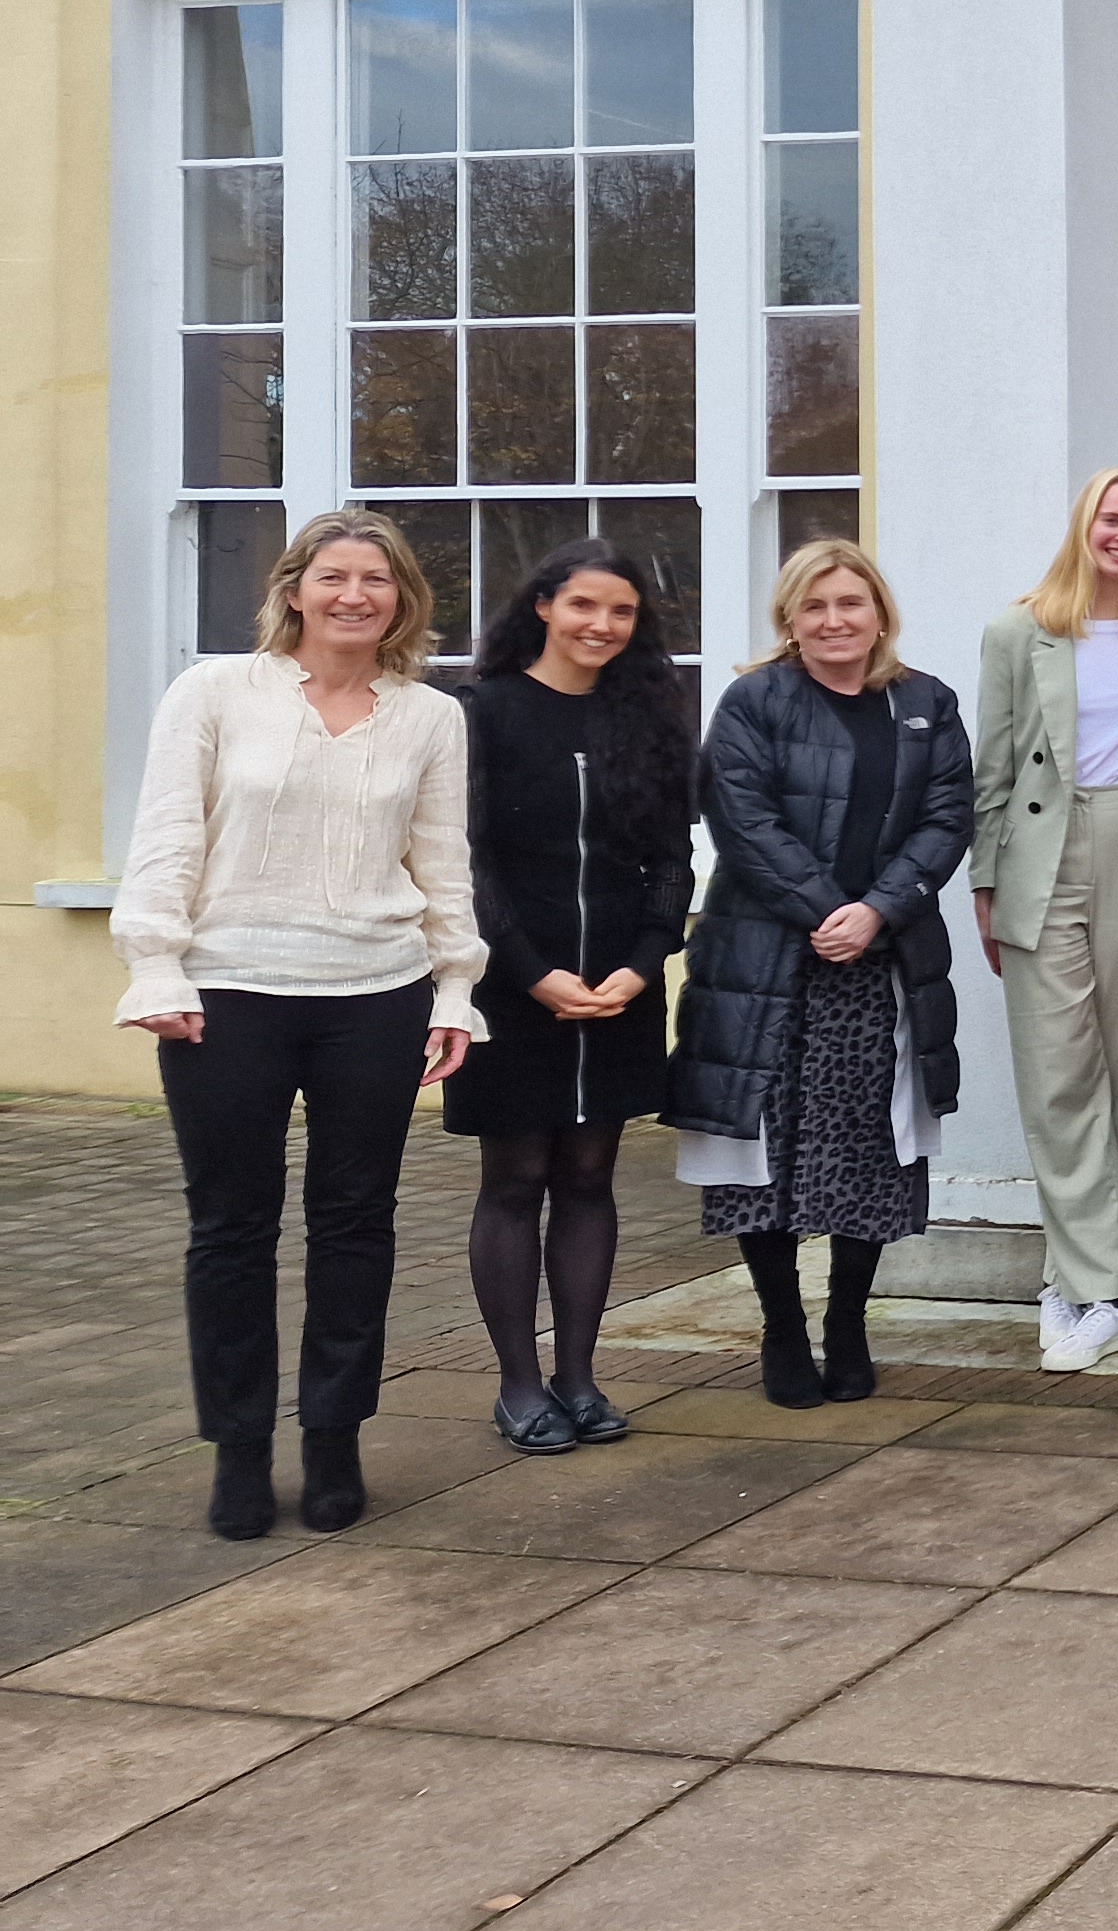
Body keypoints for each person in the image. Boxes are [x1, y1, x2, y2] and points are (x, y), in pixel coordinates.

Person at [114, 510, 484, 1540]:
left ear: (402, 600)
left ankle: (333, 1437)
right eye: (334, 576)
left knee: (354, 1226)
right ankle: (238, 1452)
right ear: (294, 589)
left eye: (378, 580)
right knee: (231, 1229)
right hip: (226, 994)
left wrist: (455, 989)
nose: (354, 595)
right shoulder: (213, 693)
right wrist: (157, 965)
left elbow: (441, 864)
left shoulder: (429, 717)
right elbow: (164, 838)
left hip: (376, 992)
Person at [672, 541, 973, 1413]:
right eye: (816, 607)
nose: (835, 621)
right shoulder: (753, 702)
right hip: (766, 963)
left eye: (851, 603)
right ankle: (782, 1328)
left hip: (879, 963)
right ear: (789, 621)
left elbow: (948, 814)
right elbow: (742, 817)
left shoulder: (925, 703)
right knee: (762, 1153)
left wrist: (877, 909)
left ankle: (848, 1321)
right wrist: (822, 910)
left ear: (880, 611)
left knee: (862, 1147)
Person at [447, 539, 696, 1455]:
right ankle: (519, 1385)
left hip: (621, 987)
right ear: (544, 606)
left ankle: (579, 1377)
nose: (602, 625)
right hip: (515, 991)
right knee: (515, 1181)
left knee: (590, 1178)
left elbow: (672, 859)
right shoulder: (479, 712)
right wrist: (529, 972)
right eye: (585, 605)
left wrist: (643, 961)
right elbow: (465, 862)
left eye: (622, 612)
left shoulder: (653, 719)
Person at [972, 466, 1118, 1372]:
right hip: (1042, 857)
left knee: (1115, 1070)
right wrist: (985, 883)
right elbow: (989, 769)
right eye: (1115, 518)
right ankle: (1104, 1290)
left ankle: (1071, 1274)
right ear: (1086, 522)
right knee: (1059, 1077)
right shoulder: (1018, 629)